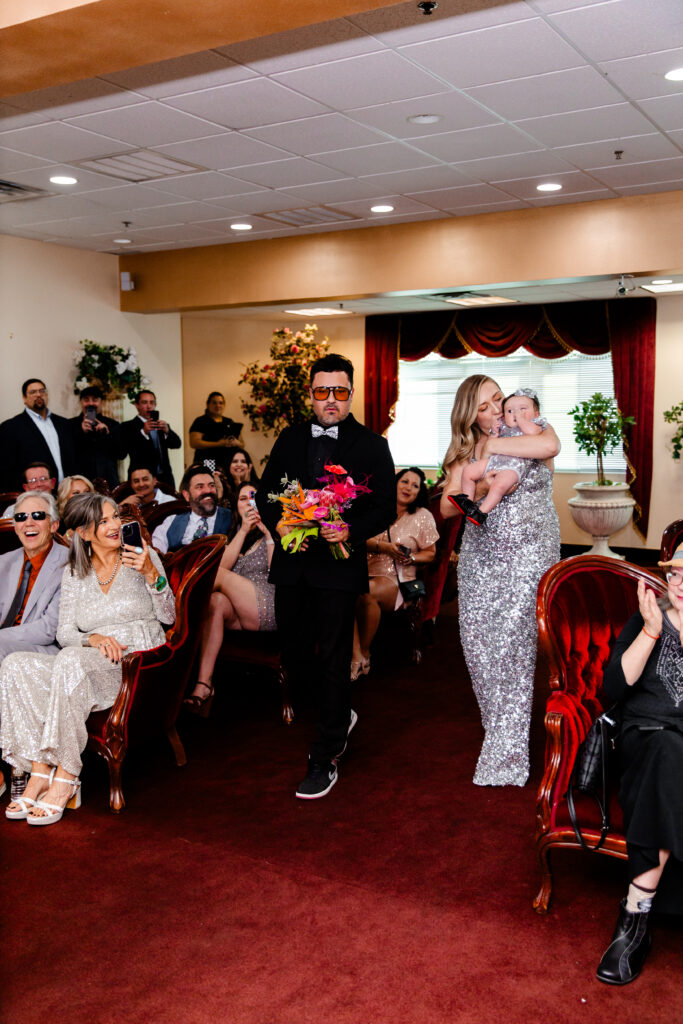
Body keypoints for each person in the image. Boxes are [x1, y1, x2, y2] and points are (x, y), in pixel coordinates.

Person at [257, 352, 395, 800]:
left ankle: (327, 752)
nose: (331, 400)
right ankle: (339, 715)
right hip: (293, 565)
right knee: (296, 656)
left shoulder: (372, 444)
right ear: (311, 395)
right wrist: (280, 520)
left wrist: (348, 529)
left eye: (339, 391)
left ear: (351, 394)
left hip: (337, 567)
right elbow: (266, 495)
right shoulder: (289, 437)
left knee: (336, 658)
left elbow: (384, 509)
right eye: (322, 392)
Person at [0, 492, 175, 825]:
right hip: (90, 657)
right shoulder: (74, 573)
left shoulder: (142, 555)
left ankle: (64, 776)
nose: (114, 526)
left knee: (69, 661)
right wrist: (92, 638)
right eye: (104, 520)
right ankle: (38, 770)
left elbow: (168, 617)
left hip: (133, 658)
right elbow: (65, 633)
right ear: (83, 532)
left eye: (115, 517)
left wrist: (153, 573)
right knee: (16, 665)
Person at [440, 374, 560, 787]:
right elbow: (447, 504)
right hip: (481, 558)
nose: (496, 410)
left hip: (529, 555)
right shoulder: (466, 451)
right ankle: (499, 730)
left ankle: (506, 753)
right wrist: (478, 485)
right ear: (470, 414)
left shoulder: (531, 424)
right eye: (485, 406)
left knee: (512, 647)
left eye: (498, 399)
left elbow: (550, 448)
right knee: (479, 649)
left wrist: (494, 445)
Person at [595, 551, 683, 985]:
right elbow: (612, 688)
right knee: (667, 753)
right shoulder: (646, 619)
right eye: (676, 573)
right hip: (644, 740)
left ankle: (635, 922)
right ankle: (634, 920)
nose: (681, 582)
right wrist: (649, 632)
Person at [184, 481, 276, 715]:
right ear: (237, 506)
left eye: (253, 496)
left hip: (268, 603)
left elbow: (278, 573)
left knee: (216, 579)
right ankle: (204, 685)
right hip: (239, 610)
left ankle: (178, 608)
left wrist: (268, 533)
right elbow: (221, 567)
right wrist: (244, 530)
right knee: (215, 601)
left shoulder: (275, 528)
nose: (249, 502)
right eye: (243, 498)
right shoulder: (235, 533)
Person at [352, 467, 438, 679]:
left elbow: (431, 554)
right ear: (395, 483)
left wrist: (412, 558)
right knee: (343, 592)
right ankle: (357, 655)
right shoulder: (376, 509)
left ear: (419, 493)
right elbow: (356, 538)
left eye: (415, 485)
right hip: (364, 570)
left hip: (397, 579)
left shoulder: (422, 516)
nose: (408, 487)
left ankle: (362, 654)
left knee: (368, 591)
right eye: (404, 481)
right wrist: (383, 547)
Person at [449, 388, 549, 527]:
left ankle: (481, 512)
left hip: (513, 467)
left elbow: (532, 433)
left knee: (499, 485)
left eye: (522, 409)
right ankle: (468, 503)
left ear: (536, 414)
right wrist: (494, 433)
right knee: (468, 471)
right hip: (495, 462)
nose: (516, 413)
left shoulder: (537, 426)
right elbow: (491, 444)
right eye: (510, 411)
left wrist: (520, 419)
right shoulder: (504, 427)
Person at [0, 379, 76, 491]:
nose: (38, 395)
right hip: (35, 495)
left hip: (66, 493)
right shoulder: (11, 427)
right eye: (33, 392)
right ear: (24, 398)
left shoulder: (64, 423)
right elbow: (6, 468)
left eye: (42, 391)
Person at [151, 464, 232, 555]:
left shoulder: (233, 518)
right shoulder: (171, 522)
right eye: (200, 487)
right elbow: (155, 556)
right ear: (187, 495)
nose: (208, 491)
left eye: (211, 485)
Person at [121, 389, 181, 489]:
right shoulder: (127, 426)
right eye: (144, 402)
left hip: (165, 478)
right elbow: (126, 450)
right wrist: (143, 432)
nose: (149, 406)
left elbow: (177, 444)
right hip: (141, 480)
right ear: (136, 405)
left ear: (155, 405)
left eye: (152, 402)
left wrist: (167, 431)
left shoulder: (161, 426)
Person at [70, 385, 124, 490]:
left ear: (101, 402)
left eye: (95, 400)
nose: (90, 403)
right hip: (81, 484)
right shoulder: (70, 425)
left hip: (109, 483)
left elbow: (121, 454)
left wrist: (108, 434)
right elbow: (68, 455)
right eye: (86, 400)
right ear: (81, 402)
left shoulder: (113, 425)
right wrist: (81, 433)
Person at [188, 392, 244, 474]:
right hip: (207, 461)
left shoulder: (229, 421)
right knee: (210, 482)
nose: (218, 405)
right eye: (214, 403)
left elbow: (242, 444)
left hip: (227, 462)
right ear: (208, 404)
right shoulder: (201, 421)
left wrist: (236, 443)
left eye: (221, 403)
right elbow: (194, 442)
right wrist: (218, 444)